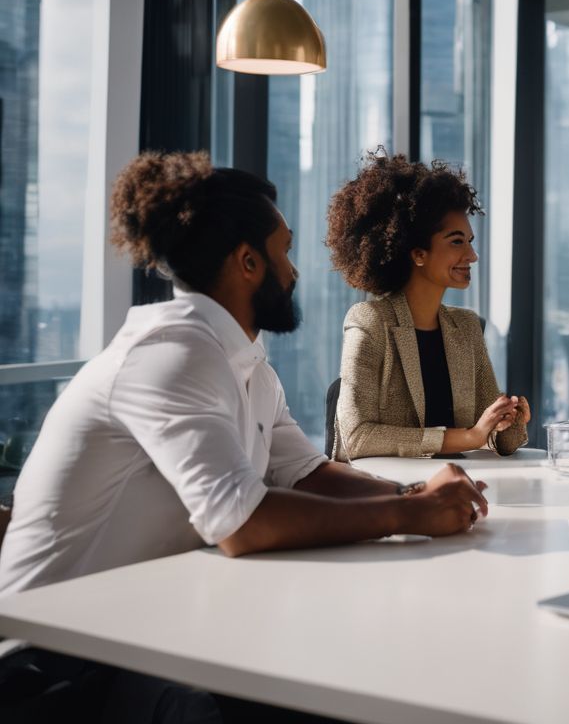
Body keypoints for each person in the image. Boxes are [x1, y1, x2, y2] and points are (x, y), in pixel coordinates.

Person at [0, 152, 488, 720]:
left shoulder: (246, 364)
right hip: (55, 664)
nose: (295, 270)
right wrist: (408, 517)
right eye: (285, 250)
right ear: (248, 261)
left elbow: (308, 473)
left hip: (144, 629)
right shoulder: (170, 356)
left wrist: (413, 496)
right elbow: (239, 522)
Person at [326, 153, 527, 459]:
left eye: (470, 241)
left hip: (457, 489)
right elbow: (356, 437)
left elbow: (496, 439)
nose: (472, 255)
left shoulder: (466, 326)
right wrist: (468, 437)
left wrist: (509, 420)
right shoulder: (369, 322)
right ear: (418, 254)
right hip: (388, 494)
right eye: (457, 242)